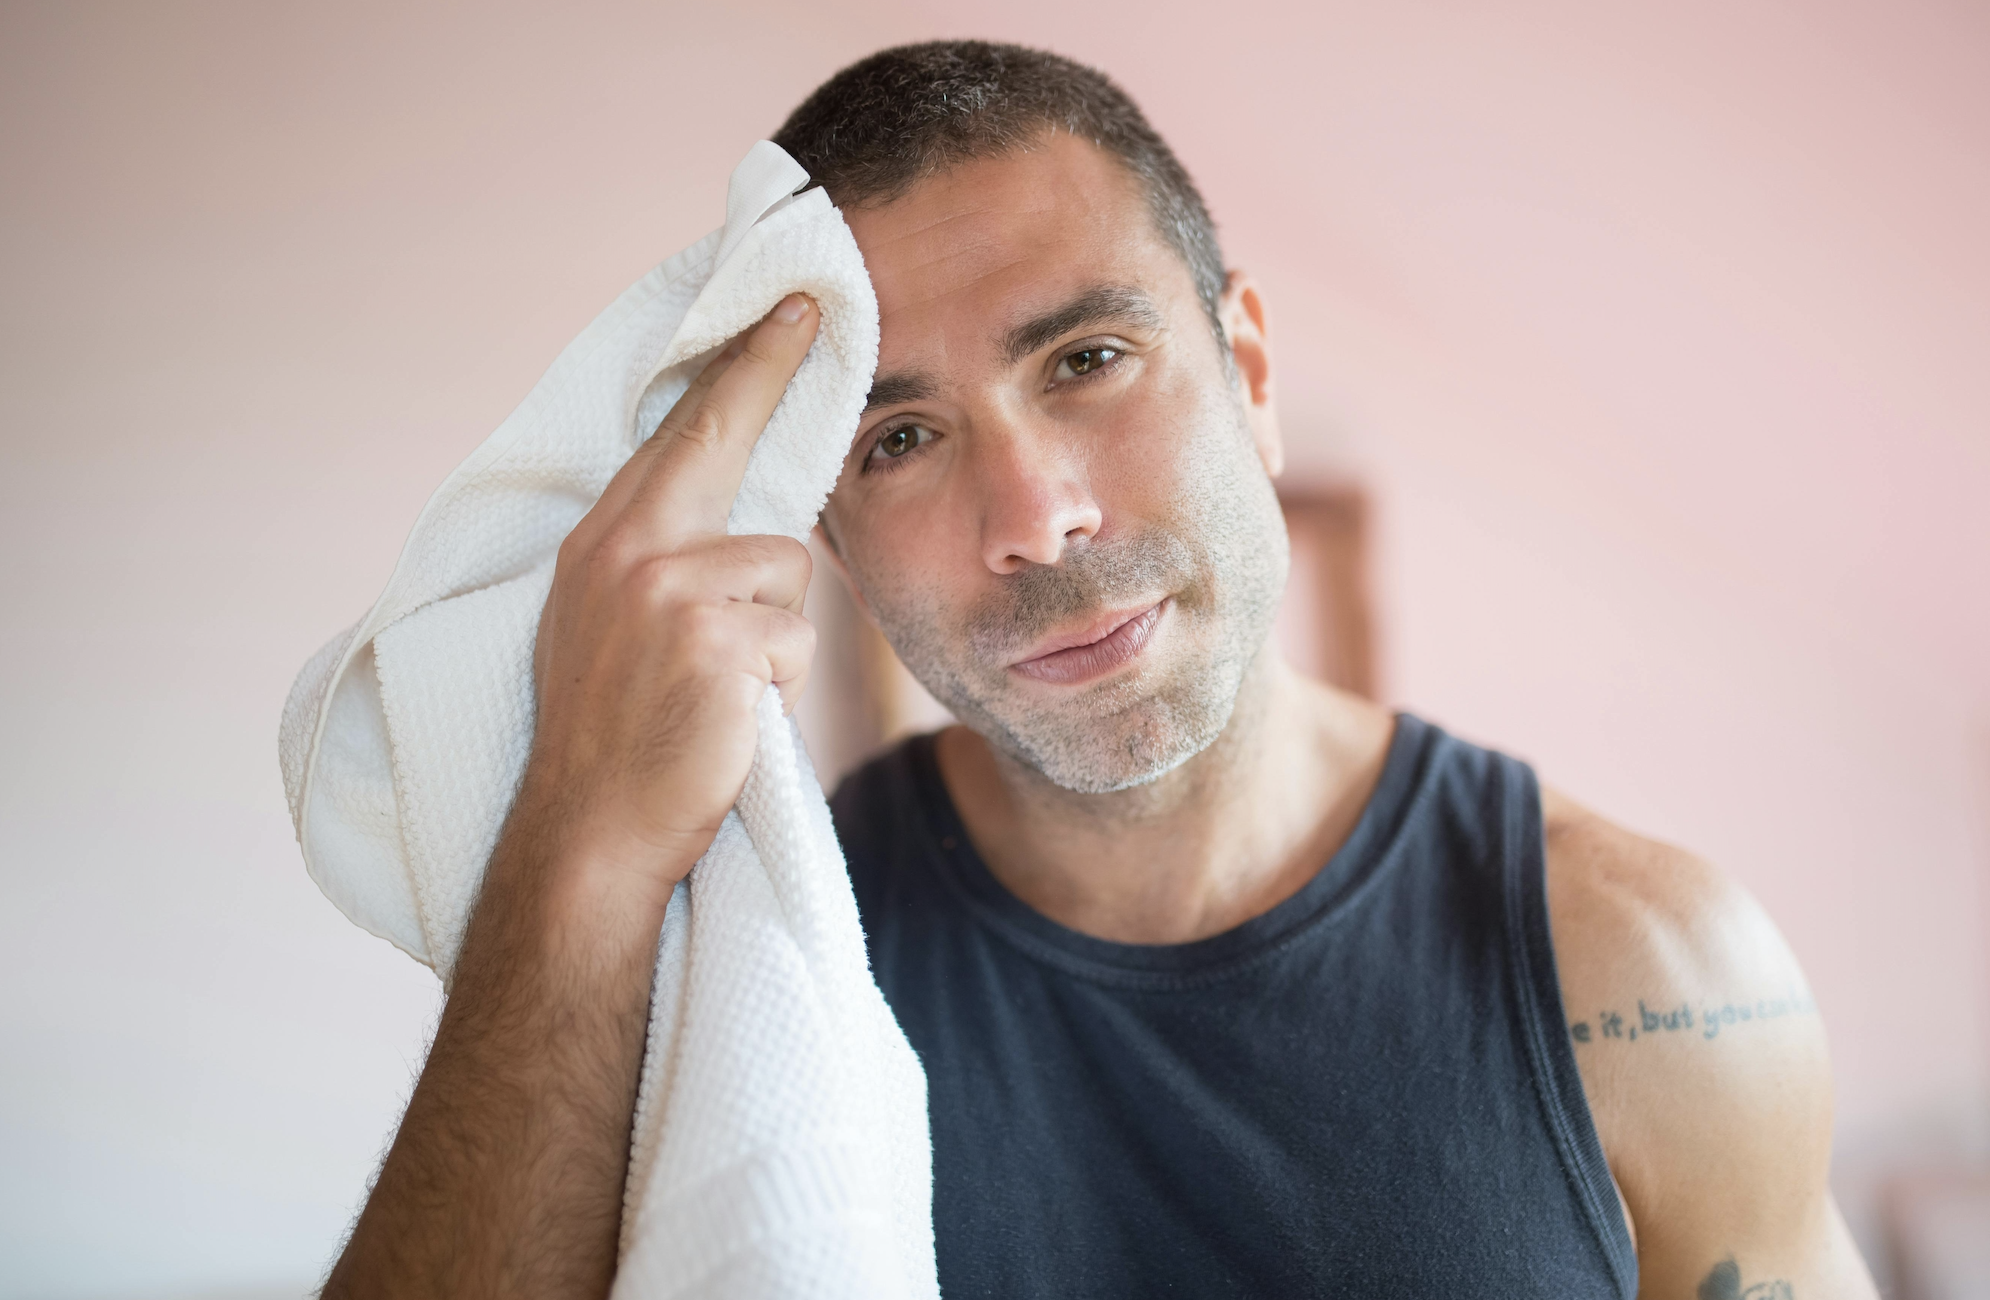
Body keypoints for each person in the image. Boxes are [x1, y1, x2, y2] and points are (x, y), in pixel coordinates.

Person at [321, 42, 1876, 1300]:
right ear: (831, 536)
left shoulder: (1654, 979)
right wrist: (575, 847)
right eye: (901, 438)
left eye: (1084, 360)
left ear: (1247, 376)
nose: (1033, 519)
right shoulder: (735, 986)